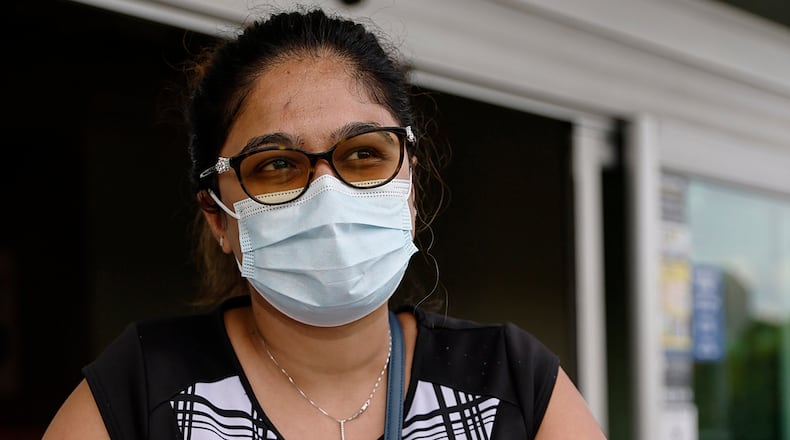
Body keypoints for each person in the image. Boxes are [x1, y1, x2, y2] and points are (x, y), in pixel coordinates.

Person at [44, 6, 606, 440]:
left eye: (364, 153)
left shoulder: (510, 381)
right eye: (275, 165)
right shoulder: (142, 392)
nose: (327, 194)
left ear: (410, 186)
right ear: (218, 217)